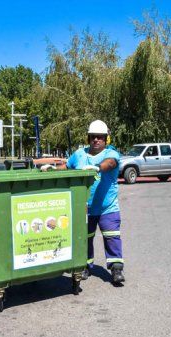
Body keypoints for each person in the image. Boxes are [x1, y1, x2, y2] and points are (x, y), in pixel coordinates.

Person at [64, 119, 125, 284]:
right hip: (85, 208)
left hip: (108, 207)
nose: (96, 140)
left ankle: (116, 268)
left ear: (106, 139)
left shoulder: (110, 154)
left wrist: (98, 167)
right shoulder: (79, 155)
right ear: (88, 138)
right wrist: (49, 169)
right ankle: (85, 266)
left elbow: (110, 163)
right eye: (93, 137)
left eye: (100, 137)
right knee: (84, 238)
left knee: (112, 237)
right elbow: (66, 168)